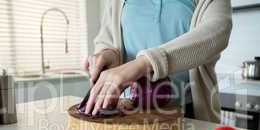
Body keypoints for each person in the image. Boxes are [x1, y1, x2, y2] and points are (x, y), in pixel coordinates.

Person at [83, 0, 232, 123]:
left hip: (189, 111)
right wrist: (108, 54)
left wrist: (145, 63)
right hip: (127, 111)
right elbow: (107, 39)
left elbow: (218, 30)